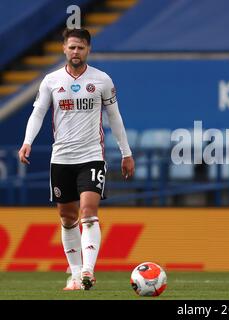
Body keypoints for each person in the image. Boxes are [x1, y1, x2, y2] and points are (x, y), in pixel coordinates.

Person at [18, 28, 135, 290]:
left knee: (88, 211)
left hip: (91, 156)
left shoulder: (102, 80)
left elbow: (115, 118)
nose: (75, 52)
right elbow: (37, 114)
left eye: (80, 48)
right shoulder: (50, 80)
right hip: (61, 158)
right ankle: (74, 276)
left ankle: (87, 271)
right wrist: (27, 141)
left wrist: (126, 152)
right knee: (67, 218)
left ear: (88, 50)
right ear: (64, 49)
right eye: (71, 47)